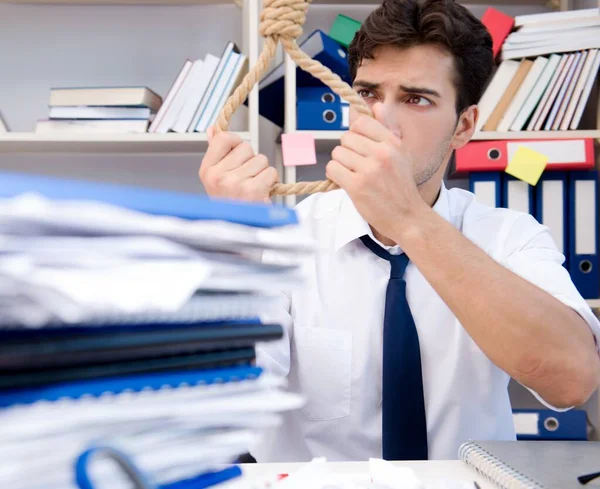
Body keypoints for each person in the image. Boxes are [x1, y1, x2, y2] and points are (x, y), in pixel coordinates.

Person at [199, 0, 600, 462]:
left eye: (416, 99)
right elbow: (220, 412)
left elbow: (572, 381)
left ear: (463, 126)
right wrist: (231, 250)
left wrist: (408, 219)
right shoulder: (282, 236)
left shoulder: (510, 235)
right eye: (367, 93)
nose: (382, 120)